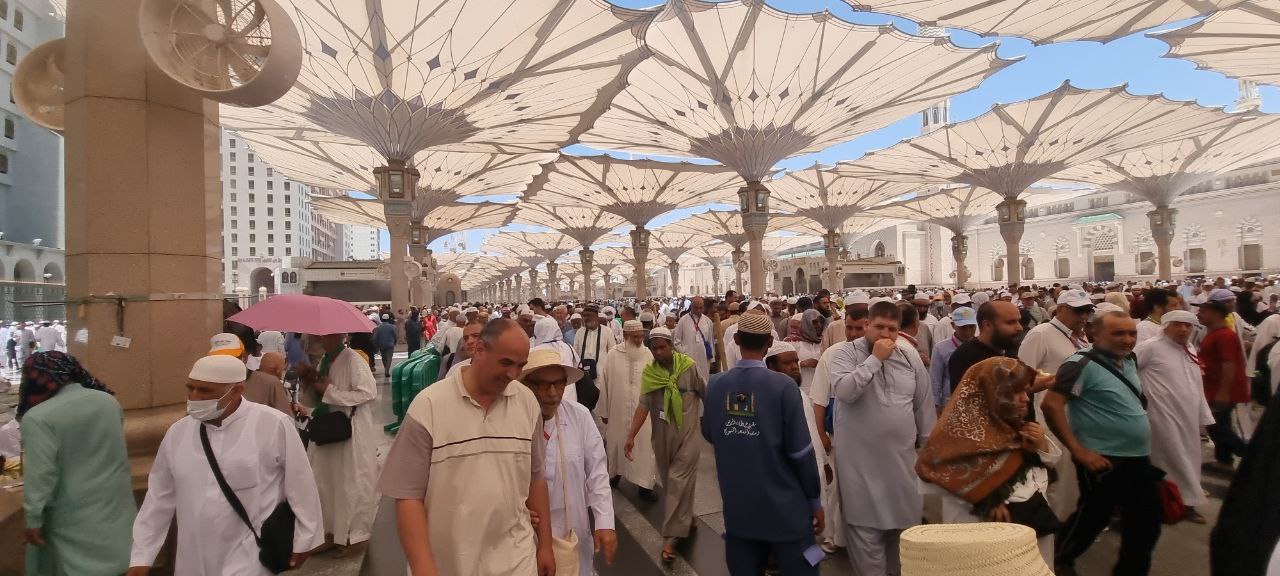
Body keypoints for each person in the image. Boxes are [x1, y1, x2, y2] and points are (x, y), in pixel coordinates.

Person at [378, 319, 555, 576]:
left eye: (520, 366)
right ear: (479, 350)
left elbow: (536, 478)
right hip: (450, 562)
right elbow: (408, 496)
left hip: (516, 558)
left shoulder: (526, 402)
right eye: (506, 363)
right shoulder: (429, 406)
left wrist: (545, 546)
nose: (513, 374)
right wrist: (422, 565)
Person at [129, 355, 323, 575]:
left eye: (205, 391)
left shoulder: (273, 424)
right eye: (190, 388)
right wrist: (141, 556)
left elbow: (300, 484)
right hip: (193, 557)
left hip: (249, 555)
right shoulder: (178, 433)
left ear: (237, 391)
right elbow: (158, 498)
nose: (194, 397)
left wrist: (306, 538)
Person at [702, 313, 824, 575]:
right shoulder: (783, 387)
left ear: (736, 340)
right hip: (786, 511)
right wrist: (815, 502)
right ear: (769, 342)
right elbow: (801, 453)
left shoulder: (715, 384)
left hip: (739, 509)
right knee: (804, 565)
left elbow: (710, 433)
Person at [1044, 311, 1161, 576]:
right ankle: (1057, 561)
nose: (1127, 339)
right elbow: (1052, 405)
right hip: (1102, 458)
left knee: (1145, 522)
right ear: (1094, 334)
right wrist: (1078, 450)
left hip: (1137, 457)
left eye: (1132, 333)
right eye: (1118, 333)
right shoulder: (1079, 364)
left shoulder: (1129, 360)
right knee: (1093, 517)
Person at [916, 356, 1062, 566]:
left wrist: (1042, 446)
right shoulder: (956, 440)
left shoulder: (1017, 429)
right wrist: (985, 497)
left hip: (1031, 538)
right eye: (1015, 393)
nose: (1026, 399)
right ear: (992, 395)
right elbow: (934, 472)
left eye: (1026, 392)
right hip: (978, 540)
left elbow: (1042, 473)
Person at [828, 300, 935, 576]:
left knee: (902, 539)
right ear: (867, 325)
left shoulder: (909, 356)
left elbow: (923, 404)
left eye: (892, 329)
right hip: (859, 468)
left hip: (901, 465)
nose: (885, 334)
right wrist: (875, 359)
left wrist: (928, 451)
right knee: (866, 539)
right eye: (879, 327)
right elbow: (845, 391)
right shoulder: (843, 354)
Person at [19, 351, 135, 575]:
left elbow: (41, 474)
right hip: (115, 507)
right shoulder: (108, 401)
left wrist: (33, 518)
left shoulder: (38, 418)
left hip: (70, 517)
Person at [520, 348, 617, 576]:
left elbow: (596, 472)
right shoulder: (510, 423)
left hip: (573, 526)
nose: (553, 393)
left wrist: (604, 521)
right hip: (526, 530)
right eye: (543, 385)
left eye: (559, 384)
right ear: (525, 385)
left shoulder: (579, 416)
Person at [622, 326, 706, 563]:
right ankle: (687, 518)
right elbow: (643, 406)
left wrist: (718, 425)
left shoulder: (688, 367)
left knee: (678, 482)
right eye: (654, 348)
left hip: (688, 437)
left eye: (662, 347)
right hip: (662, 438)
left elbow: (706, 392)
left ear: (671, 346)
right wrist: (630, 436)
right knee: (672, 485)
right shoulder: (650, 373)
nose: (658, 352)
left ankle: (670, 538)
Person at [299, 333, 379, 553]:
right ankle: (330, 532)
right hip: (328, 429)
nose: (319, 339)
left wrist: (329, 391)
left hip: (350, 431)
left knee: (350, 481)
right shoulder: (327, 359)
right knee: (325, 481)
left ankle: (355, 537)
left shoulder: (352, 359)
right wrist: (312, 380)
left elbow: (367, 392)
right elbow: (320, 393)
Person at [1018, 288, 1093, 518]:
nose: (1083, 317)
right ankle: (1056, 525)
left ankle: (1073, 520)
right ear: (1060, 310)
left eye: (1087, 311)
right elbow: (1022, 377)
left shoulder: (1079, 336)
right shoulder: (1041, 334)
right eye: (1078, 311)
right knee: (1060, 474)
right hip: (1052, 415)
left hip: (1081, 415)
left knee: (1076, 474)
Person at [1135, 310, 1214, 524]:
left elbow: (1195, 383)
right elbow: (1128, 371)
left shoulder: (1189, 348)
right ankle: (1171, 503)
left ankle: (1186, 503)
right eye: (1178, 324)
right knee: (1169, 458)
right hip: (1161, 415)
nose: (1183, 329)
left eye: (1188, 326)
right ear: (1165, 326)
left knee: (1190, 457)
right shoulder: (1149, 347)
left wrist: (1202, 412)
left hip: (1187, 417)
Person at [765, 340, 838, 553]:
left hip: (811, 472)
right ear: (771, 366)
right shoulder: (771, 398)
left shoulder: (799, 394)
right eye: (787, 363)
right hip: (791, 478)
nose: (795, 366)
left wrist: (824, 463)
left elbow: (813, 434)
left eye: (795, 361)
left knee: (809, 532)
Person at [596, 320, 657, 499]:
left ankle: (645, 485)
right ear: (625, 336)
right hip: (617, 410)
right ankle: (615, 474)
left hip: (643, 414)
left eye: (641, 337)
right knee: (615, 443)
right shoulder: (613, 355)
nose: (639, 340)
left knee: (644, 447)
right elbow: (604, 384)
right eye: (635, 337)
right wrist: (604, 412)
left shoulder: (648, 354)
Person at [1197, 288, 1251, 468]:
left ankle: (1250, 455)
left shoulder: (1224, 336)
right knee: (1222, 424)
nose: (1199, 314)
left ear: (1216, 314)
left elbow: (1228, 364)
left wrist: (1224, 392)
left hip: (1222, 389)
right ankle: (1223, 459)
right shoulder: (1213, 334)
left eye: (1203, 311)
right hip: (1214, 387)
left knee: (1217, 427)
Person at [948, 301, 1042, 396]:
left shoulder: (1009, 349)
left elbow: (1027, 383)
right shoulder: (964, 356)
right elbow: (965, 403)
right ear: (987, 325)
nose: (1020, 328)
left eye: (1018, 321)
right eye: (1010, 322)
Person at [929, 306, 978, 412]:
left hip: (976, 402)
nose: (968, 332)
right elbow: (935, 379)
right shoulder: (941, 348)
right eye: (963, 327)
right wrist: (936, 405)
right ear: (953, 325)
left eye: (971, 327)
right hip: (950, 403)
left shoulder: (980, 346)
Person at [673, 296, 716, 384]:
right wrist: (684, 353)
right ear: (691, 307)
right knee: (689, 383)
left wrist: (712, 359)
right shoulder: (683, 320)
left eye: (700, 308)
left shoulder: (708, 321)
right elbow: (676, 341)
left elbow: (710, 341)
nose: (698, 310)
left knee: (704, 382)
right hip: (688, 359)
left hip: (704, 359)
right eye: (696, 308)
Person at [785, 308, 825, 395]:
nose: (818, 325)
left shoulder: (825, 341)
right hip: (799, 390)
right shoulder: (792, 343)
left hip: (821, 391)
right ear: (806, 324)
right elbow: (782, 366)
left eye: (820, 322)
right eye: (814, 322)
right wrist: (802, 364)